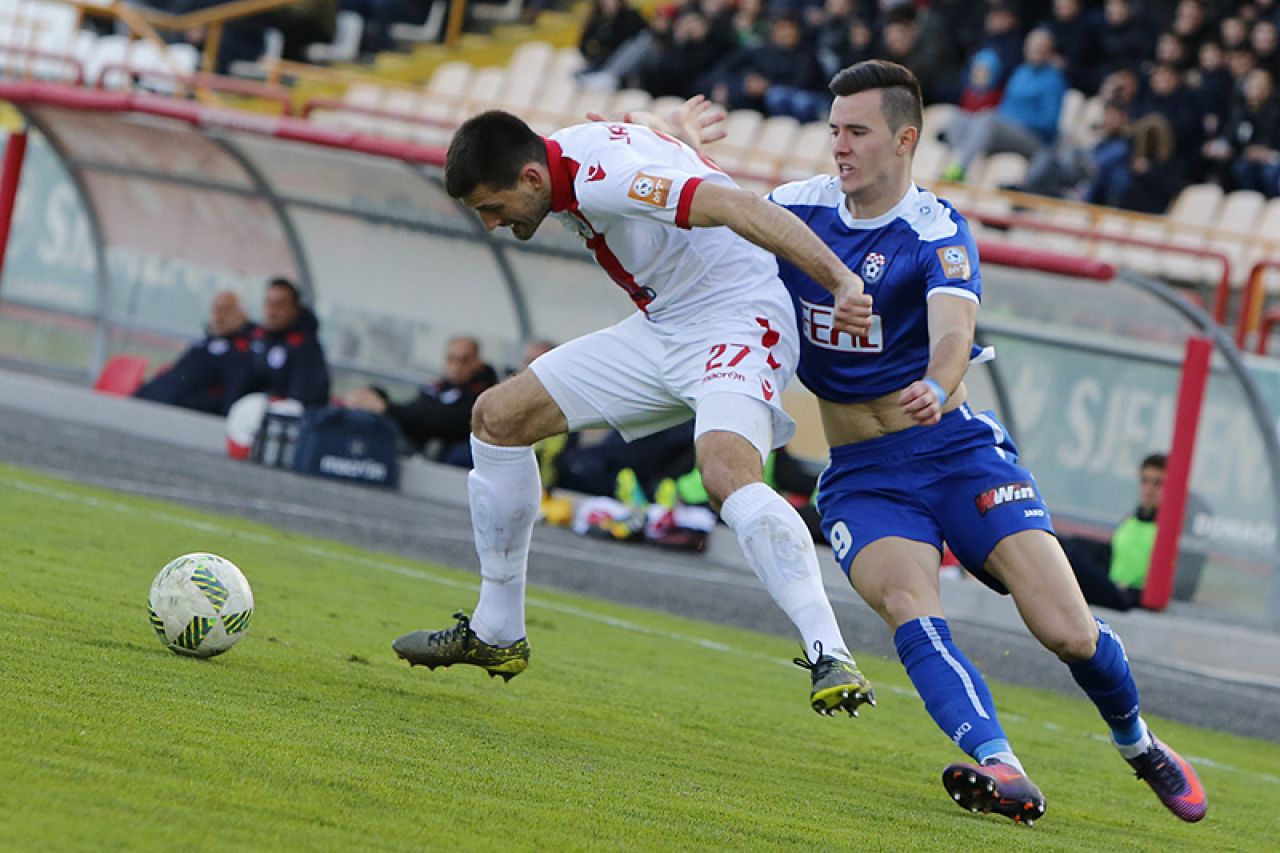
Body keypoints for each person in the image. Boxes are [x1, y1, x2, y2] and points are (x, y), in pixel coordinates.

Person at [677, 60, 1207, 825]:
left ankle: (1138, 741)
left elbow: (955, 328)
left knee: (1068, 628)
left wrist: (935, 377)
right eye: (833, 131)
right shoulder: (796, 210)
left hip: (957, 454)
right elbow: (710, 208)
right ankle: (1004, 766)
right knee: (908, 605)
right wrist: (682, 148)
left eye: (857, 132)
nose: (840, 146)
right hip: (863, 472)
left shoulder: (936, 228)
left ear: (905, 138)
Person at [390, 105, 880, 719]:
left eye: (493, 207)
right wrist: (680, 139)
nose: (491, 224)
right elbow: (648, 151)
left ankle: (830, 652)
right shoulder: (566, 156)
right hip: (664, 326)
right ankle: (496, 632)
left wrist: (841, 282)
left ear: (532, 180)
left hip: (738, 319)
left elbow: (740, 207)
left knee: (726, 472)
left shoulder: (603, 177)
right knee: (496, 419)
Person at [1065, 453, 1209, 610]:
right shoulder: (1131, 520)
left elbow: (1181, 584)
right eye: (1145, 481)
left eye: (1158, 483)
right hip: (1113, 589)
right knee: (1067, 545)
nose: (1149, 490)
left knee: (1069, 554)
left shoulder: (1174, 531)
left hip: (1135, 599)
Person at [347, 335, 499, 465]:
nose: (456, 367)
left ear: (478, 362)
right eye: (451, 359)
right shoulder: (439, 388)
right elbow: (416, 409)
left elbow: (440, 421)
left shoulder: (484, 396)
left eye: (464, 360)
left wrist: (385, 408)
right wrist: (379, 400)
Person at [134, 290, 256, 415]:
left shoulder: (242, 351)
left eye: (227, 310)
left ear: (241, 315)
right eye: (216, 309)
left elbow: (229, 397)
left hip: (177, 411)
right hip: (154, 398)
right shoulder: (203, 344)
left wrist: (184, 402)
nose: (220, 316)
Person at [244, 277, 332, 408]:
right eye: (269, 303)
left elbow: (303, 399)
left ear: (294, 309)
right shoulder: (255, 338)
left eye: (280, 305)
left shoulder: (306, 350)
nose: (272, 311)